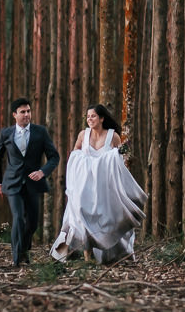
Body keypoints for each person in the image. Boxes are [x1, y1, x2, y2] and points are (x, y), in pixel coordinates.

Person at [50, 104, 146, 264]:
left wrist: (119, 153)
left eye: (93, 116)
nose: (89, 119)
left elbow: (123, 154)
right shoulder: (83, 135)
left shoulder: (112, 136)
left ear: (102, 118)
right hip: (85, 187)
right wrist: (83, 161)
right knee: (78, 216)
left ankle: (111, 255)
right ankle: (84, 254)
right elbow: (75, 154)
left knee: (108, 218)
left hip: (105, 188)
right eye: (88, 117)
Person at [0, 97, 60, 267]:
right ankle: (17, 259)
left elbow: (54, 157)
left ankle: (24, 250)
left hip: (33, 183)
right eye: (22, 112)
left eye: (28, 111)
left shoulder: (40, 132)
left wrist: (42, 172)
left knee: (32, 222)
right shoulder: (6, 133)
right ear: (14, 115)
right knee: (18, 218)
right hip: (12, 183)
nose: (27, 115)